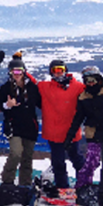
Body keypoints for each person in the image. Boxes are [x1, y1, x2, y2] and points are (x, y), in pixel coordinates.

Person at [0, 52, 41, 186]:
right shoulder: (5, 88)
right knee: (16, 153)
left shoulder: (32, 87)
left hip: (30, 127)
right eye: (14, 71)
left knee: (27, 158)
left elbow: (42, 103)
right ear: (10, 72)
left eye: (19, 71)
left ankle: (24, 184)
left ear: (24, 72)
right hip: (13, 126)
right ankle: (7, 181)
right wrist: (7, 105)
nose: (17, 74)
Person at [37, 60, 85, 188]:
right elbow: (29, 82)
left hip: (71, 132)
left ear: (66, 70)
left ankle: (84, 184)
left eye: (60, 70)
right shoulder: (45, 87)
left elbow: (94, 89)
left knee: (77, 159)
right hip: (54, 133)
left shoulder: (78, 87)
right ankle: (62, 186)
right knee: (58, 162)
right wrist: (18, 64)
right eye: (54, 70)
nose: (58, 73)